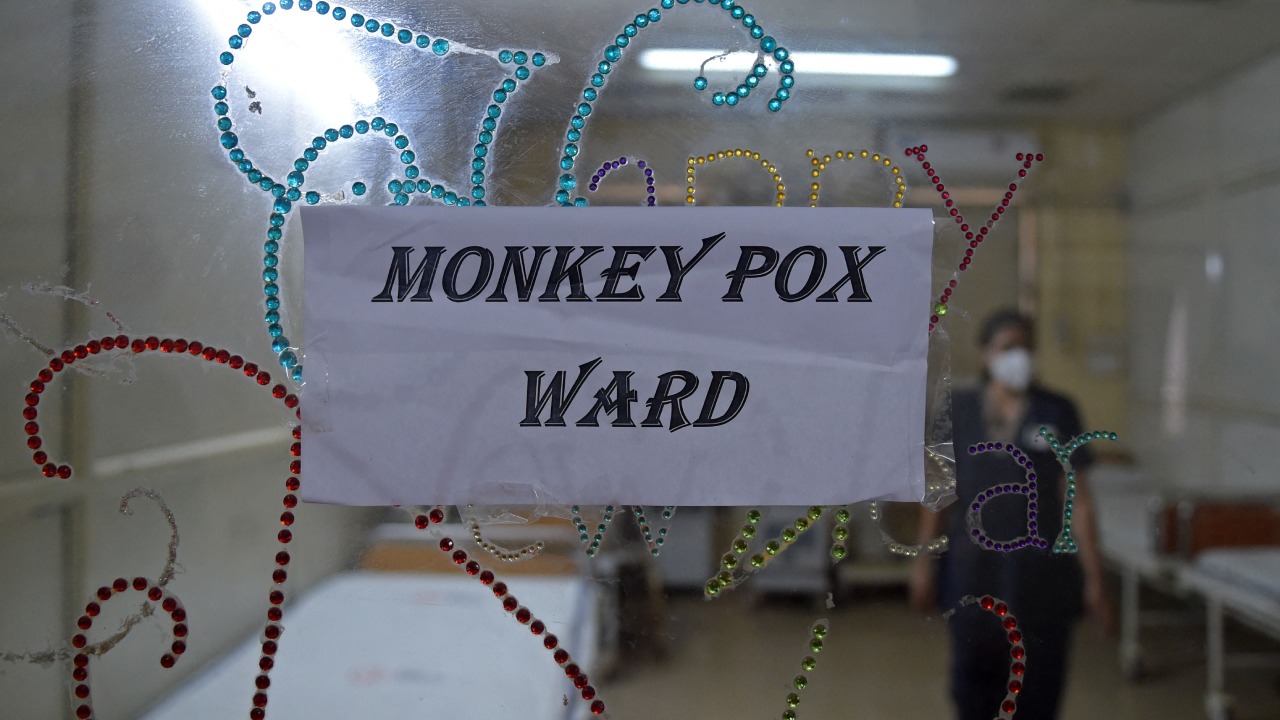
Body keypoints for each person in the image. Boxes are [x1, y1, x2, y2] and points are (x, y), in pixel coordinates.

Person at [909, 309, 1113, 720]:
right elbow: (939, 493)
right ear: (986, 355)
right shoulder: (959, 409)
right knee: (972, 687)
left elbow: (1077, 499)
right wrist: (923, 562)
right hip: (974, 571)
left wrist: (1095, 577)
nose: (1019, 357)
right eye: (1008, 348)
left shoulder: (1056, 411)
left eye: (1027, 348)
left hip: (1041, 576)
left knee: (1037, 688)